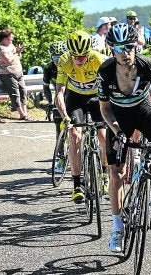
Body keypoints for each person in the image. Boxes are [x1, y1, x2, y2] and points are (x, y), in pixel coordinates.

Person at [97, 23, 151, 252]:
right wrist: (116, 131)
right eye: (118, 48)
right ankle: (117, 229)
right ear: (111, 49)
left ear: (136, 45)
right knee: (116, 172)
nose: (124, 53)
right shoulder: (105, 72)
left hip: (145, 109)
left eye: (128, 46)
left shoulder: (147, 65)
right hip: (119, 116)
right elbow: (104, 109)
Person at [55, 30, 108, 202]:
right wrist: (65, 117)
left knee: (103, 135)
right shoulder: (64, 60)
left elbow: (111, 87)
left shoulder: (98, 59)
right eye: (75, 56)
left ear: (89, 53)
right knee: (75, 135)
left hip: (96, 97)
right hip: (75, 98)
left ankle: (105, 174)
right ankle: (77, 184)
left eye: (83, 56)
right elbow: (59, 93)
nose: (78, 60)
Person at [0, 28, 32, 121]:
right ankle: (21, 113)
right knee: (15, 93)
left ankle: (25, 112)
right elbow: (7, 61)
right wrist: (16, 52)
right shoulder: (1, 48)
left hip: (18, 71)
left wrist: (18, 52)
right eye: (10, 38)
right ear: (5, 38)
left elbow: (18, 57)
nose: (12, 40)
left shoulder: (11, 46)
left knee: (23, 91)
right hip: (7, 73)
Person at [43, 41, 67, 173]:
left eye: (61, 57)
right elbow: (45, 87)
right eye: (55, 58)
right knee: (59, 128)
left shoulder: (70, 65)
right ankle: (61, 157)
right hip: (59, 97)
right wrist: (49, 102)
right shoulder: (48, 68)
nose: (58, 60)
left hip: (71, 96)